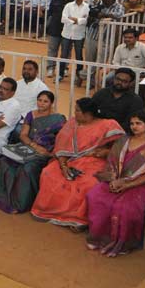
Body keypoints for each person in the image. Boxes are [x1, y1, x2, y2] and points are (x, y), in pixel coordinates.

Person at [31, 97, 126, 229]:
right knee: (49, 173)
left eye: (77, 111)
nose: (75, 113)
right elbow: (61, 148)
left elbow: (121, 146)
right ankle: (49, 211)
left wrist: (105, 152)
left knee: (87, 182)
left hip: (96, 161)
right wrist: (64, 166)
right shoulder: (72, 123)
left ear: (88, 114)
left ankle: (77, 218)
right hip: (69, 160)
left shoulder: (108, 124)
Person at [86, 111, 145, 256]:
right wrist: (114, 180)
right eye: (132, 124)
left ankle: (123, 243)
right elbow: (112, 164)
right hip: (117, 179)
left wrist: (126, 184)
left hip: (143, 184)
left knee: (125, 207)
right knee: (95, 196)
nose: (134, 127)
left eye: (139, 123)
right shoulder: (123, 142)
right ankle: (99, 238)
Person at [0, 90, 66, 213]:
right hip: (29, 147)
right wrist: (33, 145)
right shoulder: (31, 115)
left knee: (27, 169)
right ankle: (4, 198)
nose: (41, 104)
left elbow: (61, 140)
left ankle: (21, 204)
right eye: (39, 100)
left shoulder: (58, 119)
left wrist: (48, 152)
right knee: (6, 162)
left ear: (51, 103)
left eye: (45, 101)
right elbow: (23, 135)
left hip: (45, 152)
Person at [59, 0, 90, 82]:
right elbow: (63, 19)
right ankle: (60, 74)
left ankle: (79, 76)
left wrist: (74, 19)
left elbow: (86, 21)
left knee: (79, 56)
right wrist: (76, 21)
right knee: (63, 55)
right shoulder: (68, 5)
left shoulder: (87, 7)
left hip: (79, 35)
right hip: (66, 33)